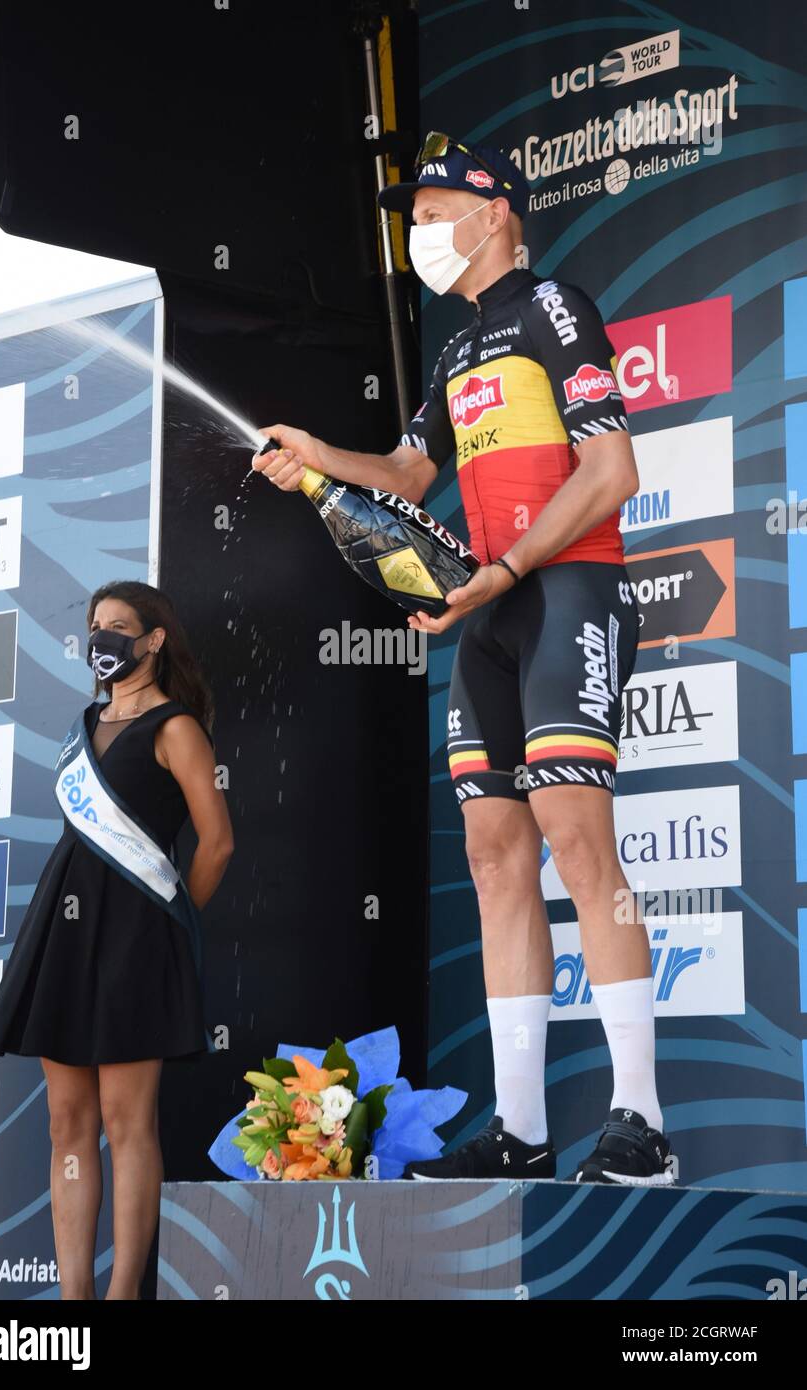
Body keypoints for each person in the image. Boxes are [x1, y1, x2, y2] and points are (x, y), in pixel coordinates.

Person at [251, 132, 674, 1187]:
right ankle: (522, 1128)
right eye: (414, 212)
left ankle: (642, 1123)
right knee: (494, 860)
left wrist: (513, 564)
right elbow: (405, 468)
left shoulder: (553, 305)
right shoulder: (453, 347)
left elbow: (611, 466)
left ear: (497, 213)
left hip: (565, 585)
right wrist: (314, 455)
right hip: (487, 610)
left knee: (577, 841)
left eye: (435, 209)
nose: (418, 229)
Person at [0, 581, 234, 1297]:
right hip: (64, 932)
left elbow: (215, 843)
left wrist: (171, 923)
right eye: (96, 628)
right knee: (68, 1122)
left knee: (127, 1122)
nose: (103, 640)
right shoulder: (83, 724)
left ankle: (121, 1292)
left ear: (153, 641)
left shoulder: (176, 728)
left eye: (120, 628)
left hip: (134, 941)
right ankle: (72, 1299)